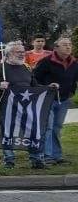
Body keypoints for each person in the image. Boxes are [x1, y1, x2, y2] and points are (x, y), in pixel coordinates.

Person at [0, 40, 45, 170]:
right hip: (8, 107)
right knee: (8, 132)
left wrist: (48, 88)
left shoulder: (26, 67)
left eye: (23, 52)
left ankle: (36, 160)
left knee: (32, 131)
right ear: (8, 53)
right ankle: (9, 160)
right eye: (18, 52)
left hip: (28, 107)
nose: (22, 54)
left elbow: (34, 85)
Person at [35, 37, 78, 166]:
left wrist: (71, 91)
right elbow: (35, 79)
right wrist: (47, 87)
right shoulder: (45, 62)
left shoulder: (74, 63)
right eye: (64, 44)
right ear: (56, 47)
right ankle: (47, 156)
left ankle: (57, 155)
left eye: (70, 44)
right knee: (48, 127)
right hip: (47, 99)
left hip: (64, 100)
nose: (68, 47)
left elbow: (75, 79)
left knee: (57, 127)